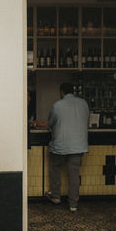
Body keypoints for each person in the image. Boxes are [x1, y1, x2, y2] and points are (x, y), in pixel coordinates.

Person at [46, 82, 89, 212]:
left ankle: (56, 196)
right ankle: (73, 204)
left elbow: (51, 124)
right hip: (78, 145)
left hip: (60, 144)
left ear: (62, 92)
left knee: (55, 167)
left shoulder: (57, 105)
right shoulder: (84, 104)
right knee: (74, 175)